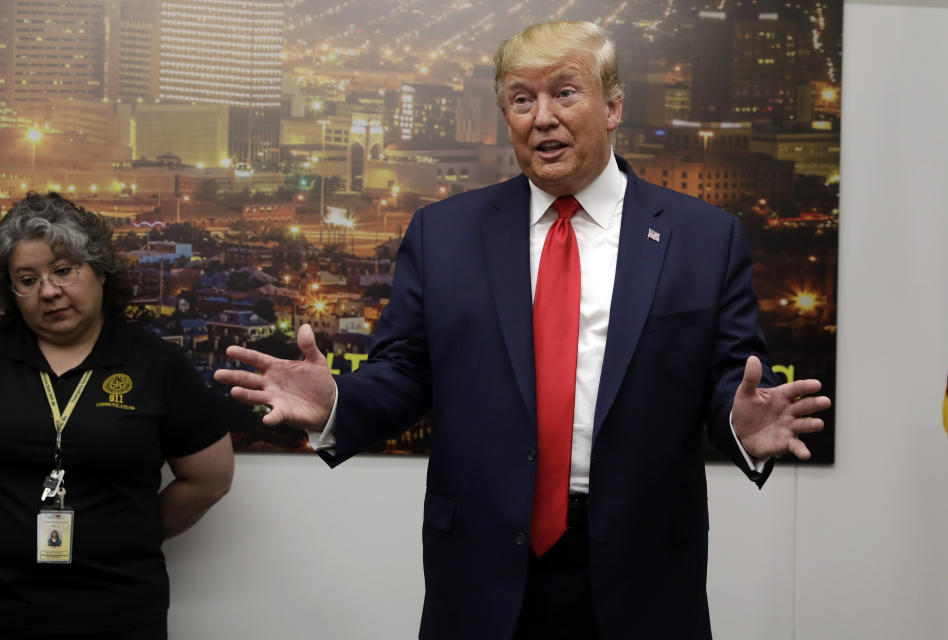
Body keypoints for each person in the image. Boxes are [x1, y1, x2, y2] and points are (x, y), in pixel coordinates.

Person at [216, 21, 831, 639]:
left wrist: (741, 426)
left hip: (642, 572)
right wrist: (336, 404)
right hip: (484, 570)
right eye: (521, 98)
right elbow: (403, 373)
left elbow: (732, 379)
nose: (542, 117)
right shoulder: (444, 234)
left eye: (565, 93)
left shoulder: (703, 238)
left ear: (614, 106)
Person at [0, 192, 234, 639]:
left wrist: (132, 530)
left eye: (64, 270)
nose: (48, 291)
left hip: (121, 609)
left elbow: (211, 480)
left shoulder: (156, 364)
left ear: (100, 270)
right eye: (26, 280)